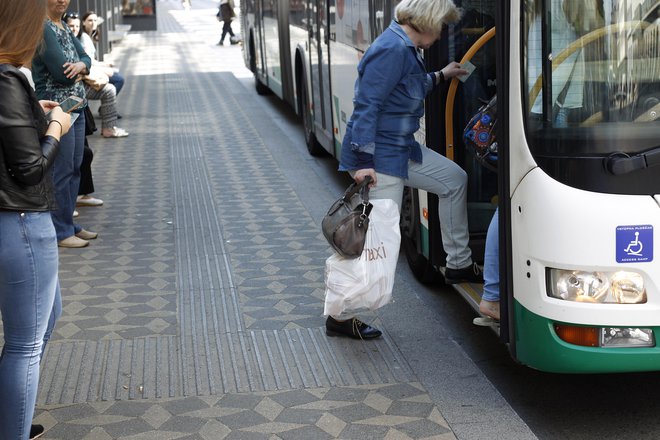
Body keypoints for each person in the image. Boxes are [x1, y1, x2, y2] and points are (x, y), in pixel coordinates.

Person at [326, 0, 481, 339]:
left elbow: (406, 88)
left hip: (402, 149)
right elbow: (367, 106)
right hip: (381, 158)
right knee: (374, 240)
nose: (441, 34)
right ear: (427, 21)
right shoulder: (392, 49)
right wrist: (364, 163)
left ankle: (457, 264)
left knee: (454, 180)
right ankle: (340, 316)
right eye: (441, 26)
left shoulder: (405, 48)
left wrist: (442, 74)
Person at [0, 1, 72, 437]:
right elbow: (28, 170)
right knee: (25, 346)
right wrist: (56, 127)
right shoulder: (7, 78)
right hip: (22, 220)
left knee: (49, 314)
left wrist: (33, 118)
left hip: (14, 220)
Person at [32, 0, 98, 248]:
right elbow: (61, 73)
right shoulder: (43, 28)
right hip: (58, 109)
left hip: (76, 106)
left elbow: (84, 57)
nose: (62, 0)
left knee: (74, 168)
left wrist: (82, 65)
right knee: (61, 171)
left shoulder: (60, 25)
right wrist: (81, 69)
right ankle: (60, 231)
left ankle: (69, 223)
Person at [64, 12, 128, 139]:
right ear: (64, 25)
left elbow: (87, 62)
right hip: (71, 88)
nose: (74, 29)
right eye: (71, 26)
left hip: (81, 82)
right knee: (111, 87)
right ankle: (108, 128)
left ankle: (109, 127)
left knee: (111, 86)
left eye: (76, 26)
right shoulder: (65, 41)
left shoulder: (76, 39)